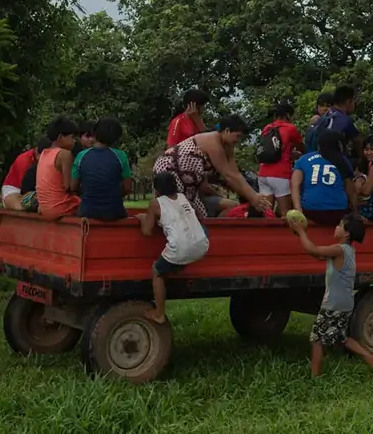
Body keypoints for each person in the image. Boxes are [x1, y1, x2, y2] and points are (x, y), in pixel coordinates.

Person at [287, 213, 373, 378]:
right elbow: (317, 254)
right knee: (341, 337)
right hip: (344, 302)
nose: (336, 227)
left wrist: (301, 232)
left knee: (316, 339)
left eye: (339, 225)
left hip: (334, 303)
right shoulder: (348, 250)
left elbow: (313, 249)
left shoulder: (339, 250)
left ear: (346, 233)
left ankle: (315, 377)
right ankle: (371, 357)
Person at [153, 114, 270, 219]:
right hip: (171, 172)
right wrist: (253, 197)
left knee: (199, 214)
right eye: (237, 136)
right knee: (182, 213)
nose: (238, 141)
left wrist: (254, 196)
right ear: (227, 131)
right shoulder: (213, 141)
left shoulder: (228, 147)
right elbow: (228, 175)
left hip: (189, 181)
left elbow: (235, 174)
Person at [138, 173, 210, 324]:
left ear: (156, 189)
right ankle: (177, 267)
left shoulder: (156, 203)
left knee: (157, 272)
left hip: (181, 248)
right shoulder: (183, 197)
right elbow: (197, 215)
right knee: (181, 254)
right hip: (202, 245)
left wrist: (142, 218)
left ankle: (159, 313)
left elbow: (147, 231)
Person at [71, 117, 134, 221]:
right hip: (114, 212)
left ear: (95, 132)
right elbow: (127, 188)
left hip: (87, 211)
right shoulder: (121, 156)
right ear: (116, 138)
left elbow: (73, 187)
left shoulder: (81, 156)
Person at [292, 129, 357, 225]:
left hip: (311, 210)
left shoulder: (304, 159)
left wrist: (298, 209)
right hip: (338, 211)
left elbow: (294, 185)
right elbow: (350, 189)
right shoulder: (343, 161)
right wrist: (356, 211)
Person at [256, 102, 306, 216]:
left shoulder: (267, 128)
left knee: (267, 213)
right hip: (280, 175)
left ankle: (267, 234)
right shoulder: (290, 128)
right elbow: (302, 147)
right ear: (288, 115)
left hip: (263, 174)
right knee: (285, 214)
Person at [37, 116, 81, 219]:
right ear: (61, 137)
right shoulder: (64, 154)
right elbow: (68, 187)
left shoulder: (44, 153)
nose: (74, 141)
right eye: (72, 137)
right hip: (59, 208)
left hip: (44, 208)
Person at [304, 85, 362, 161]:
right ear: (349, 101)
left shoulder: (322, 117)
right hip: (332, 162)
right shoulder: (344, 120)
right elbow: (358, 141)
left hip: (313, 160)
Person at [0, 138, 48, 210]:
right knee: (22, 205)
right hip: (14, 189)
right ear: (38, 153)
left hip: (32, 189)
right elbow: (25, 186)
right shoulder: (24, 160)